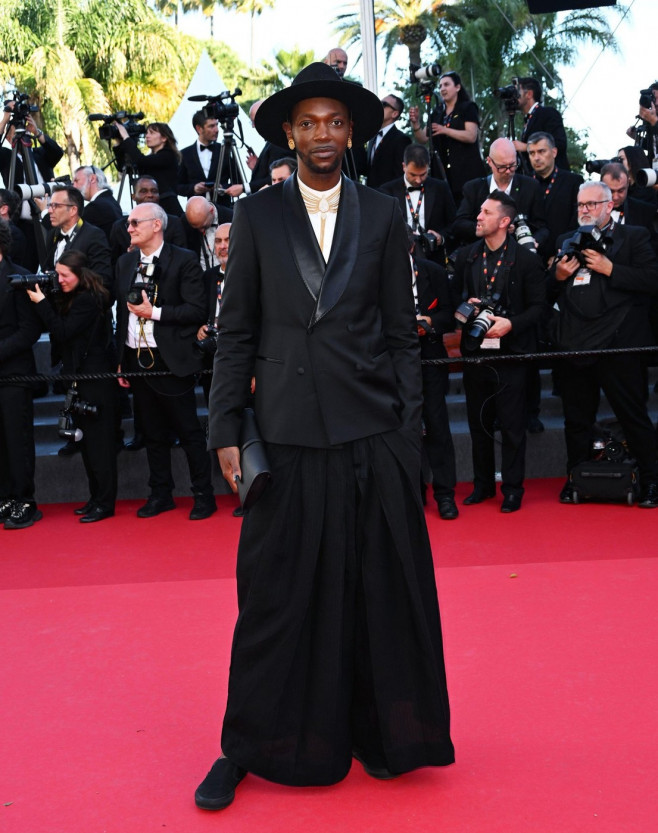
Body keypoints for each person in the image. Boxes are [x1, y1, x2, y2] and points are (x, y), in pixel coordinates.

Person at [195, 61, 454, 811]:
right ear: (288, 133)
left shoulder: (380, 213)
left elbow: (402, 336)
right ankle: (244, 746)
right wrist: (224, 428)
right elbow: (236, 333)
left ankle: (383, 734)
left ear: (350, 132)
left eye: (334, 122)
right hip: (287, 434)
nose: (321, 135)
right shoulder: (257, 216)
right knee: (274, 599)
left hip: (372, 432)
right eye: (307, 122)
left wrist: (407, 431)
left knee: (380, 593)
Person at [550, 181, 658, 508]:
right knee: (576, 419)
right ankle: (575, 478)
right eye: (580, 205)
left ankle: (652, 481)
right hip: (575, 345)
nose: (584, 210)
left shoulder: (633, 237)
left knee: (632, 416)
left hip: (619, 345)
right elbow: (545, 294)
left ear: (609, 206)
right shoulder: (564, 241)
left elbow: (652, 280)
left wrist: (611, 269)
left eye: (591, 204)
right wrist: (556, 277)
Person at [115, 202, 216, 521]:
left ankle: (204, 495)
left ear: (156, 225)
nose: (129, 228)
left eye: (134, 223)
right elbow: (121, 313)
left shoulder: (183, 260)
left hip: (171, 360)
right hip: (136, 359)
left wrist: (154, 313)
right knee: (151, 432)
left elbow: (196, 310)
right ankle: (161, 493)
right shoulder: (125, 262)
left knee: (188, 431)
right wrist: (121, 358)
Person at [454, 190, 547, 513]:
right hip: (476, 354)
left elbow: (540, 308)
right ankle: (482, 485)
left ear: (505, 221)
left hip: (512, 355)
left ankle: (512, 489)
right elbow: (456, 300)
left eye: (486, 212)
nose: (478, 217)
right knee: (478, 422)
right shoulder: (467, 255)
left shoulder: (526, 260)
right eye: (479, 211)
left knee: (511, 425)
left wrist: (511, 324)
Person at [27, 250, 118, 522]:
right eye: (57, 274)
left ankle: (105, 502)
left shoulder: (88, 300)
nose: (60, 279)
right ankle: (96, 498)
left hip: (95, 380)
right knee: (88, 443)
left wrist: (42, 302)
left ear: (81, 274)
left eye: (65, 275)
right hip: (80, 377)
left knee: (100, 445)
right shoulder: (75, 297)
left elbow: (63, 331)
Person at [0, 221, 42, 530]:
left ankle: (24, 501)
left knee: (17, 440)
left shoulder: (19, 276)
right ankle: (4, 498)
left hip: (14, 373)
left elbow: (29, 330)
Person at [453, 137, 548, 251]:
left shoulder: (531, 186)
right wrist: (489, 228)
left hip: (519, 255)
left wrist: (533, 241)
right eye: (502, 167)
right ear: (489, 161)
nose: (508, 171)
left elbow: (542, 228)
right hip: (482, 255)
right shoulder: (474, 188)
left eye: (513, 165)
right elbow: (459, 225)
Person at [410, 71, 487, 205]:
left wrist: (445, 130)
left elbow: (471, 136)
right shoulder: (437, 111)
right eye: (440, 86)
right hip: (443, 173)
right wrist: (416, 123)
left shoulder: (467, 107)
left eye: (446, 85)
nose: (442, 89)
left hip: (466, 171)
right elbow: (423, 139)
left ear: (457, 87)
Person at [379, 143, 456, 263]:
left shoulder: (440, 188)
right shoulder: (387, 191)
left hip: (433, 259)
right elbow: (382, 228)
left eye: (423, 174)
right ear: (404, 166)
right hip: (399, 258)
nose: (418, 180)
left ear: (428, 167)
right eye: (413, 175)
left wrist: (441, 237)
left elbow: (454, 224)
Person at [39, 185, 113, 291]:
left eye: (56, 206)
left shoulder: (94, 236)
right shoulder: (52, 234)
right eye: (50, 205)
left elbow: (103, 280)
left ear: (73, 210)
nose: (50, 210)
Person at [108, 176, 186, 266]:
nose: (150, 195)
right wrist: (133, 256)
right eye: (143, 191)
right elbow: (114, 264)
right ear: (133, 196)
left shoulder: (173, 223)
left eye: (154, 191)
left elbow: (181, 258)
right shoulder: (120, 227)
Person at [114, 121, 182, 216]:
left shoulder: (168, 155)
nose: (147, 136)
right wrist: (119, 142)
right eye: (146, 133)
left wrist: (126, 137)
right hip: (153, 208)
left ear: (164, 138)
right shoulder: (151, 158)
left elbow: (140, 160)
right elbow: (125, 168)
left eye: (152, 133)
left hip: (168, 209)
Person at [198, 222, 230, 405]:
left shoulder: (253, 274)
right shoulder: (207, 277)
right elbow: (200, 310)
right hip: (212, 356)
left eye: (228, 240)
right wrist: (200, 327)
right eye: (218, 241)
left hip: (242, 357)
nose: (222, 246)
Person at [513, 77, 570, 172]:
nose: (514, 97)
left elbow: (560, 144)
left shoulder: (548, 113)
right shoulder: (528, 119)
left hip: (555, 178)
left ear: (529, 94)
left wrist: (526, 147)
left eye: (517, 92)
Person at [366, 93, 411, 189]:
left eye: (384, 104)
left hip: (389, 197)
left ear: (394, 113)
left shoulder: (401, 139)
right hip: (371, 195)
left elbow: (400, 175)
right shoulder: (372, 137)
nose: (379, 107)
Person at [72, 166, 123, 243]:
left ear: (92, 178)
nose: (74, 186)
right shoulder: (111, 202)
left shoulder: (95, 207)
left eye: (77, 181)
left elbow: (73, 234)